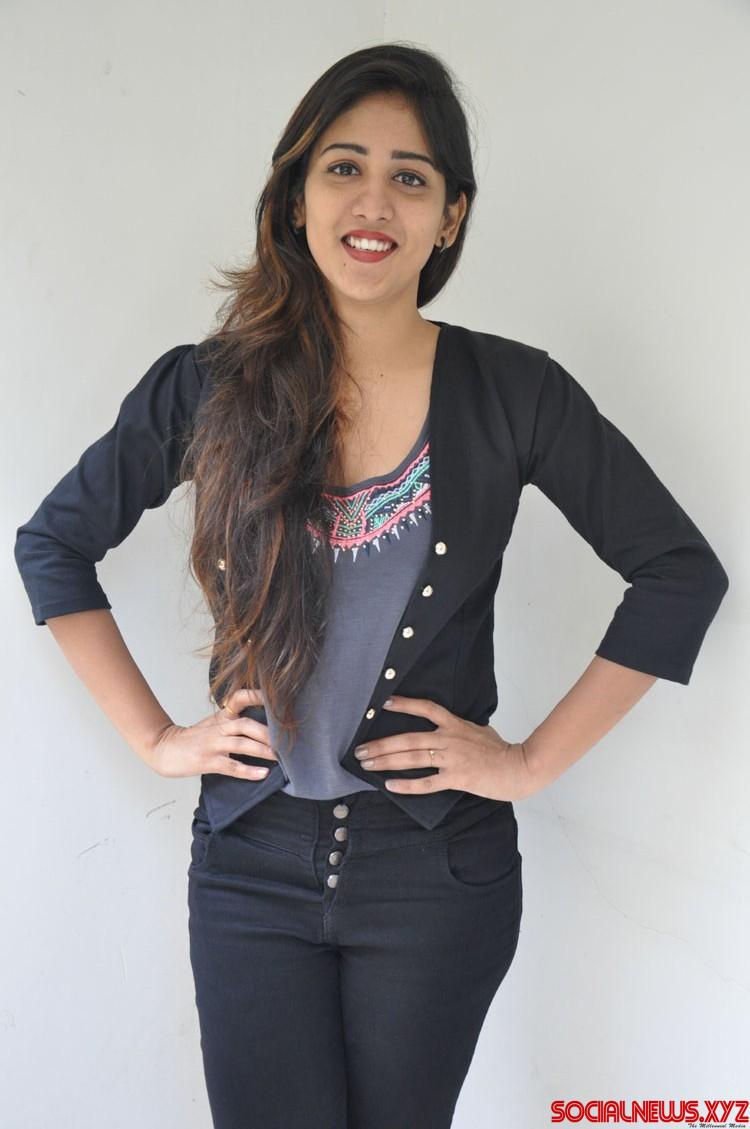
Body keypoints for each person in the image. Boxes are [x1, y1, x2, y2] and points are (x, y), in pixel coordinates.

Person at [14, 43, 729, 1129]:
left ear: (451, 216)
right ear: (296, 195)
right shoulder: (207, 386)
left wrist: (529, 761)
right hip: (250, 867)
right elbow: (54, 547)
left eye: (411, 176)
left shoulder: (515, 391)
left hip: (435, 876)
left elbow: (677, 571)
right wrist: (157, 740)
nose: (374, 202)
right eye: (343, 166)